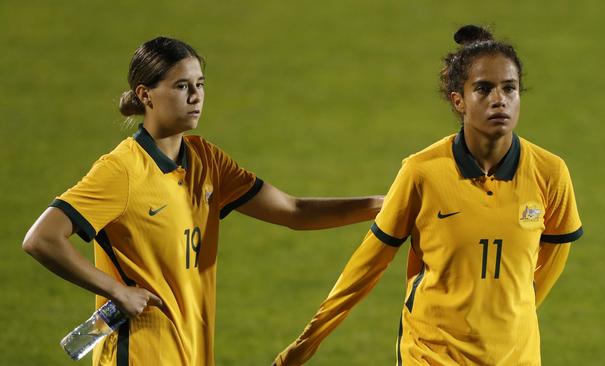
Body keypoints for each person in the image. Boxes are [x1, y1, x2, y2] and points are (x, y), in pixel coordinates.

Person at [22, 36, 383, 366]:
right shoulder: (122, 171)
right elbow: (42, 239)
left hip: (192, 352)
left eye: (200, 85)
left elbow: (294, 211)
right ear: (145, 95)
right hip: (140, 355)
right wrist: (116, 291)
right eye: (182, 86)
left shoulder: (206, 160)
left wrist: (385, 203)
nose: (196, 97)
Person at [273, 25, 584, 366]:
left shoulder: (549, 173)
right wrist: (304, 345)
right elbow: (364, 269)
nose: (500, 99)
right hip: (430, 355)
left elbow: (552, 259)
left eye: (509, 88)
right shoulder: (421, 173)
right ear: (459, 100)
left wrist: (506, 314)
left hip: (516, 357)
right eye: (484, 89)